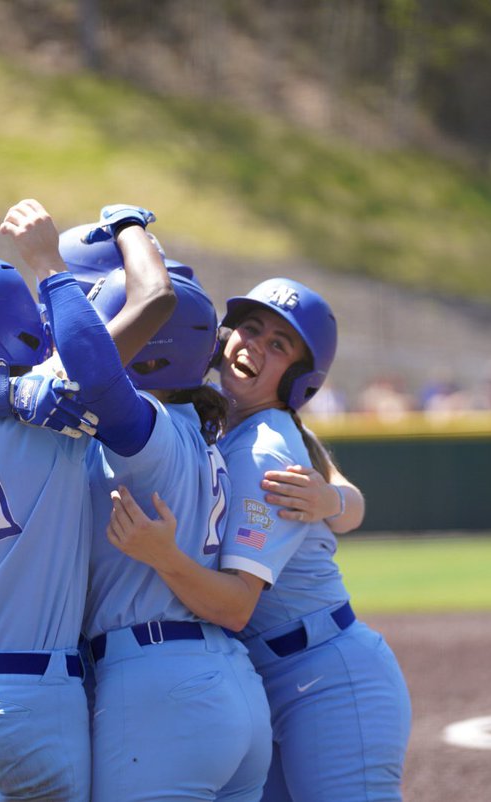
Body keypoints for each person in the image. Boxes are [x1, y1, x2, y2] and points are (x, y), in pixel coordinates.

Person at [0, 206, 275, 801]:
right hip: (35, 691)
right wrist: (53, 263)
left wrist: (6, 392)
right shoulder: (56, 412)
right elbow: (136, 319)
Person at [108, 277, 412, 802]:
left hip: (326, 677)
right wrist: (337, 501)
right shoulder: (223, 424)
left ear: (299, 377)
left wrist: (164, 557)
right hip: (269, 675)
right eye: (249, 329)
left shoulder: (265, 447)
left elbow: (237, 608)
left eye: (278, 344)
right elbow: (344, 497)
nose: (254, 345)